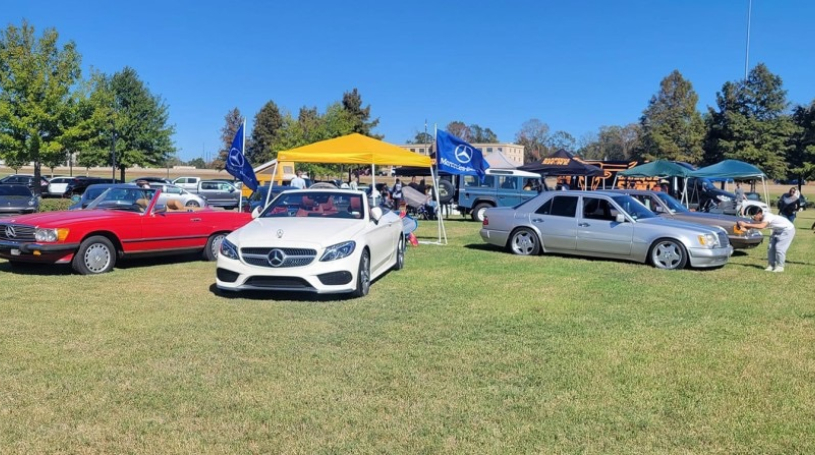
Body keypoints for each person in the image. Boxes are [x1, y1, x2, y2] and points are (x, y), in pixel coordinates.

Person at [737, 208, 796, 272]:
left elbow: (761, 226)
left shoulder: (767, 216)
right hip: (777, 230)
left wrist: (745, 225)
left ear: (759, 214)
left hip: (787, 230)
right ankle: (771, 265)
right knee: (770, 248)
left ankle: (780, 266)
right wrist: (743, 227)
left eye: (754, 216)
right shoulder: (759, 218)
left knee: (779, 248)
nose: (753, 218)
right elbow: (754, 225)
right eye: (751, 216)